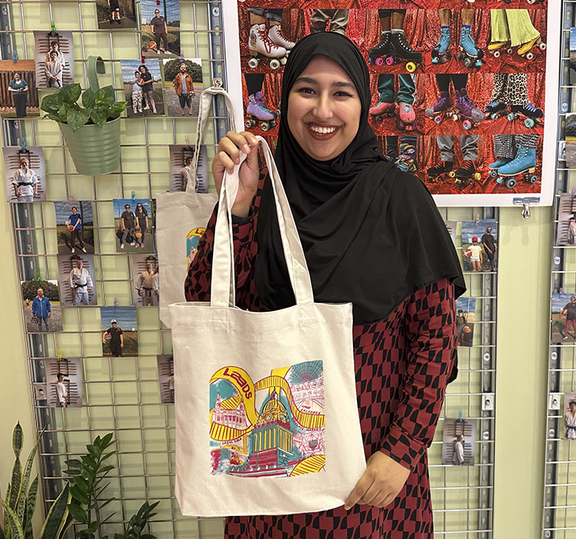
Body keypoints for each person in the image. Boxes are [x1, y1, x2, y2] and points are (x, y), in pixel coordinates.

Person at [186, 32, 465, 536]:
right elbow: (209, 307)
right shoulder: (262, 192)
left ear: (362, 103)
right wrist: (239, 202)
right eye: (307, 90)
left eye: (341, 93)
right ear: (285, 97)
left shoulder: (399, 199)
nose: (323, 110)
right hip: (270, 480)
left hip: (370, 479)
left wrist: (401, 452)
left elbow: (436, 342)